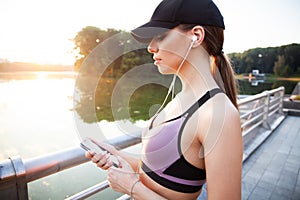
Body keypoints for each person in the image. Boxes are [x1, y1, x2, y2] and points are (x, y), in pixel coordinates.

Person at [85, 0, 243, 199]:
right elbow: (159, 173)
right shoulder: (181, 97)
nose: (151, 47)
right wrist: (115, 154)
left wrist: (132, 187)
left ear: (196, 36)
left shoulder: (219, 114)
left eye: (160, 36)